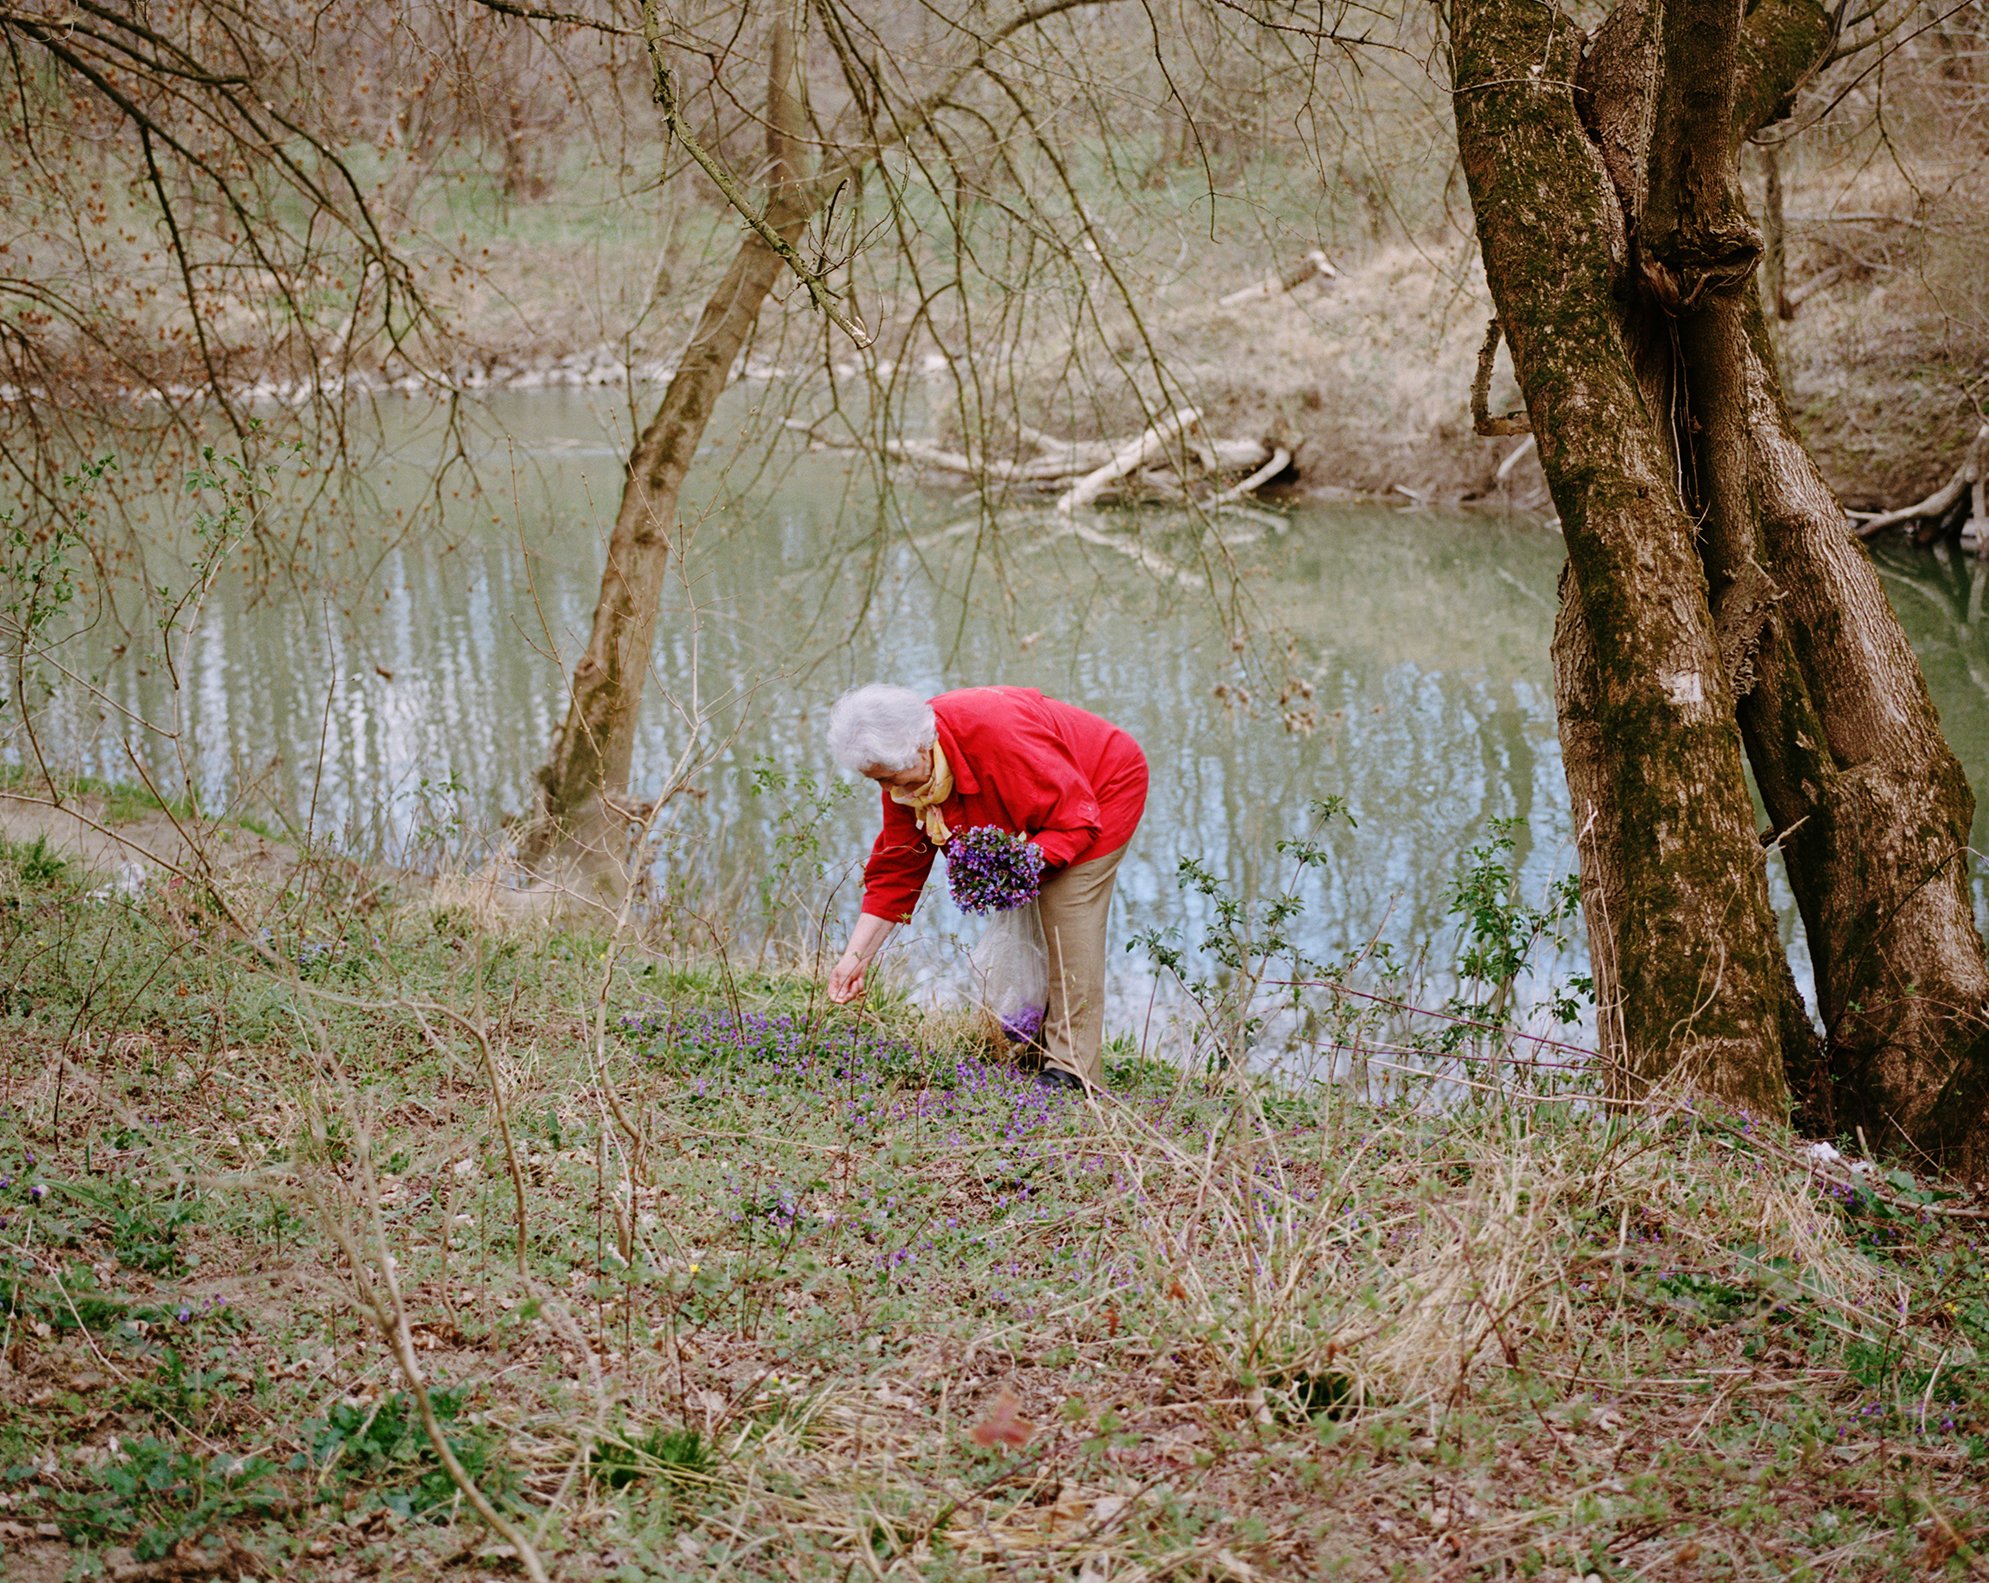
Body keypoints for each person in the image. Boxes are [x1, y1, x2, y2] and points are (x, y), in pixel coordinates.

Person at [825, 683, 1148, 1091]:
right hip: (1039, 796)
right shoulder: (907, 776)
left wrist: (1018, 866)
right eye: (877, 782)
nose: (890, 792)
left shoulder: (999, 739)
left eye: (890, 779)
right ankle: (1034, 1050)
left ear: (922, 747)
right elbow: (898, 868)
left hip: (1101, 789)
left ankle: (1071, 1071)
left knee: (1067, 910)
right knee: (1028, 906)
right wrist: (857, 956)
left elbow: (1074, 821)